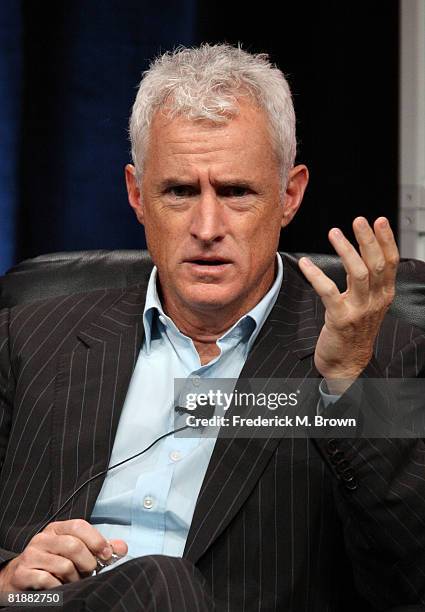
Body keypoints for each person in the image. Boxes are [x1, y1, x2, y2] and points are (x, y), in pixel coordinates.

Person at [0, 43, 424, 611]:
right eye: (179, 191)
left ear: (289, 196)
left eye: (235, 192)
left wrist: (345, 384)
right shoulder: (31, 337)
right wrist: (7, 583)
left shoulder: (375, 354)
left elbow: (410, 576)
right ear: (136, 195)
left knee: (161, 584)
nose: (207, 226)